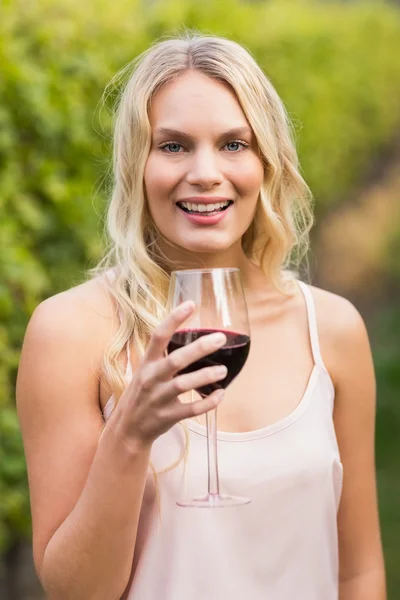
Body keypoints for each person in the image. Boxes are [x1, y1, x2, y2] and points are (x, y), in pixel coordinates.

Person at [16, 33, 386, 600]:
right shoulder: (71, 332)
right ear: (136, 163)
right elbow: (73, 591)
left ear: (267, 161)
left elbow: (357, 572)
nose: (206, 172)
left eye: (234, 144)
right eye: (173, 146)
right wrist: (131, 434)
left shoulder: (332, 330)